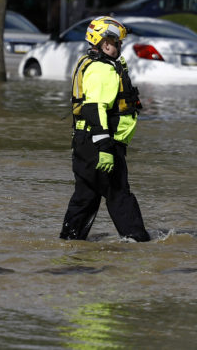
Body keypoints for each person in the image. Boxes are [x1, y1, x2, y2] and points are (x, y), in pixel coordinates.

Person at [60, 16, 150, 242]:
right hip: (101, 144)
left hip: (83, 144)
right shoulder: (102, 70)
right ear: (105, 43)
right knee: (119, 196)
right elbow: (93, 108)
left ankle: (69, 244)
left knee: (86, 197)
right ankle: (138, 245)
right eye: (117, 42)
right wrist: (105, 148)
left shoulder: (89, 63)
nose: (120, 47)